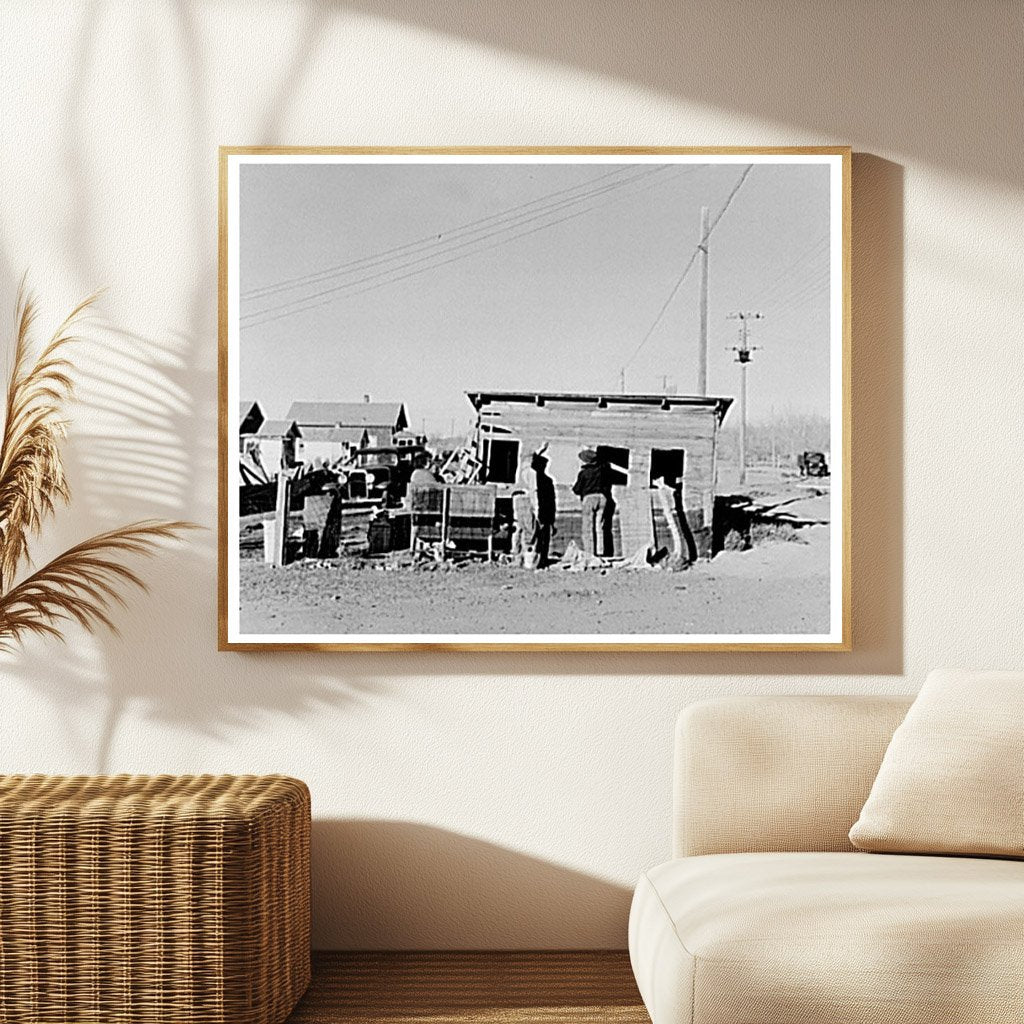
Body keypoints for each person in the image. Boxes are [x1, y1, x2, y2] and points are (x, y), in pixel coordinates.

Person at [572, 448, 611, 556]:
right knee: (600, 527)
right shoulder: (602, 470)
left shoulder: (584, 473)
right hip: (602, 497)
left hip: (589, 498)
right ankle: (600, 551)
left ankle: (589, 552)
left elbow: (577, 489)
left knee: (588, 528)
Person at [522, 447, 556, 567]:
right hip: (546, 512)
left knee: (533, 536)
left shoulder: (533, 478)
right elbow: (552, 500)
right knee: (544, 538)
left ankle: (532, 561)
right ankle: (542, 560)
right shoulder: (548, 480)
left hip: (538, 510)